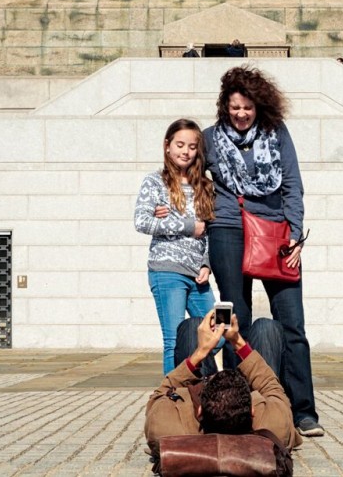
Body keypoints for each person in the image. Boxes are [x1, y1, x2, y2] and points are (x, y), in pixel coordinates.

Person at [203, 65, 323, 437]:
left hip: (275, 235)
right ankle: (235, 408)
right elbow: (184, 176)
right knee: (234, 320)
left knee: (292, 323)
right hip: (227, 230)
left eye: (248, 107)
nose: (241, 114)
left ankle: (302, 411)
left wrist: (295, 235)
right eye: (234, 107)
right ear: (225, 107)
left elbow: (292, 185)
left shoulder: (277, 133)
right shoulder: (210, 138)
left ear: (259, 106)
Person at [144, 312, 303, 452]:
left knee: (192, 325)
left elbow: (159, 396)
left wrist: (201, 352)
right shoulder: (274, 430)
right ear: (252, 410)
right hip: (248, 421)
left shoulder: (167, 435)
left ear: (199, 410)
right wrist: (238, 341)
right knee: (266, 327)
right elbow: (271, 386)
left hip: (200, 426)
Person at [135, 119, 216, 374]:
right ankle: (171, 393)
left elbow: (211, 231)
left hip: (197, 274)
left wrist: (207, 263)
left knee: (219, 333)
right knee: (173, 340)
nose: (186, 151)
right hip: (167, 270)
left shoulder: (206, 185)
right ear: (167, 146)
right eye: (180, 145)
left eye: (192, 147)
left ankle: (195, 381)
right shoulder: (154, 182)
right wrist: (188, 225)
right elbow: (142, 221)